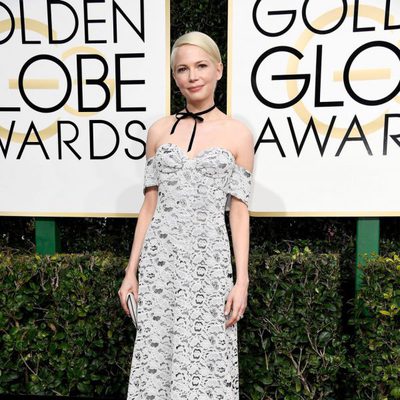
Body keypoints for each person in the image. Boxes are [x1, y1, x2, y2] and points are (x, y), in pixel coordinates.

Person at [118, 31, 254, 399]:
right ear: (175, 77)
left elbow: (238, 214)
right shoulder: (159, 131)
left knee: (208, 357)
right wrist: (131, 272)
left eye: (201, 65)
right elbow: (148, 207)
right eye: (183, 69)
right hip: (160, 261)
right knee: (157, 356)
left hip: (209, 262)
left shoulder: (239, 135)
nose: (192, 76)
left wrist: (241, 281)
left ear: (218, 70)